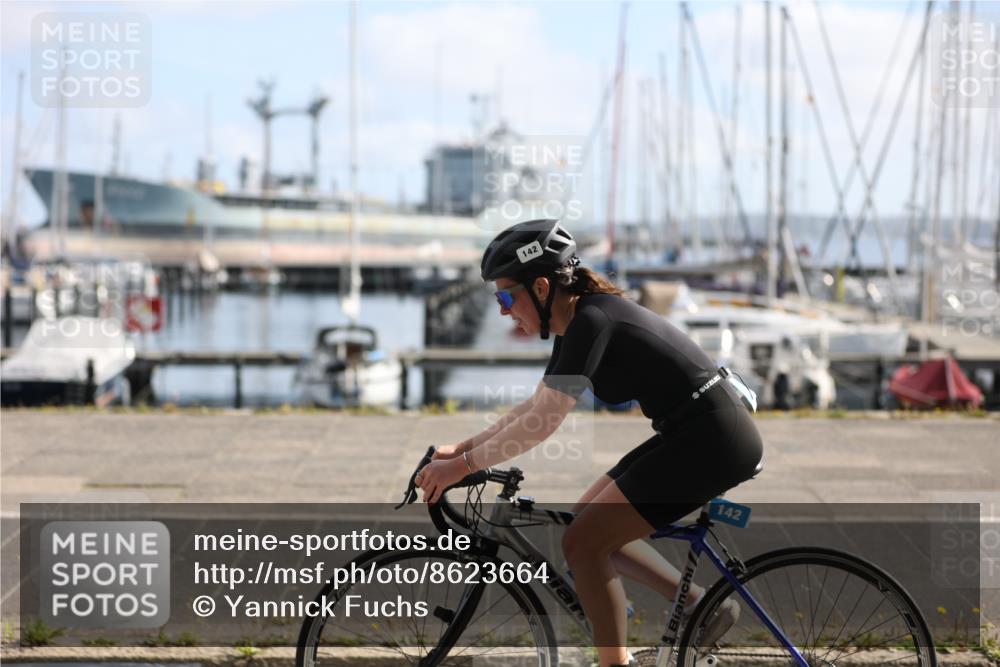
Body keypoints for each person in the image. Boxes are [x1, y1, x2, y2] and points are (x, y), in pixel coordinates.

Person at [415, 219, 764, 667]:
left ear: (540, 287)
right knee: (586, 523)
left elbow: (543, 423)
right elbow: (534, 407)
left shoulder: (592, 320)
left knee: (584, 543)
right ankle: (698, 604)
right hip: (694, 430)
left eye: (505, 296)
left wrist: (462, 467)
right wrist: (460, 451)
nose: (503, 310)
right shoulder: (576, 321)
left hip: (714, 439)